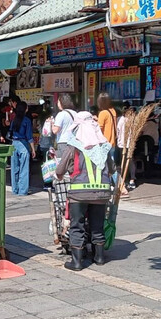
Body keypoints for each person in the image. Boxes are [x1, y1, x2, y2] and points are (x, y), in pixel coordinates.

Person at [56, 111, 116, 271]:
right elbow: (112, 169)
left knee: (77, 226)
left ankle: (76, 262)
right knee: (97, 225)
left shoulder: (73, 147)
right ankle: (99, 257)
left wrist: (61, 175)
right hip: (102, 194)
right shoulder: (103, 147)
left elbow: (59, 170)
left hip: (79, 195)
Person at [10, 101, 36, 196]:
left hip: (14, 144)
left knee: (14, 168)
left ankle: (15, 189)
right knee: (24, 168)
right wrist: (33, 149)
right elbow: (29, 136)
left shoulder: (14, 119)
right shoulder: (27, 120)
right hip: (23, 144)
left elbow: (10, 132)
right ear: (25, 109)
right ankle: (22, 191)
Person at [52, 93, 77, 158]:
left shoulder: (61, 114)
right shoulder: (75, 113)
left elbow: (55, 130)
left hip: (63, 143)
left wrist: (52, 123)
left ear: (62, 102)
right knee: (72, 164)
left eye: (58, 102)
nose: (57, 104)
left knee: (63, 164)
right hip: (74, 143)